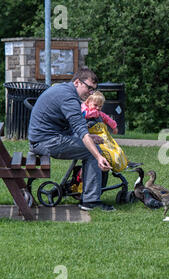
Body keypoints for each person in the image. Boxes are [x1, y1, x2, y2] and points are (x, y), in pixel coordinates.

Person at [28, 67, 115, 211]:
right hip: (45, 142)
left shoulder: (64, 90)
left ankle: (83, 190)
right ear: (77, 82)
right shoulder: (69, 98)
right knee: (92, 152)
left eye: (93, 89)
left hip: (45, 138)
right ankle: (90, 201)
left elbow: (71, 127)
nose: (91, 93)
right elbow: (81, 130)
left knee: (91, 145)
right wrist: (99, 157)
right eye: (89, 88)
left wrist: (90, 137)